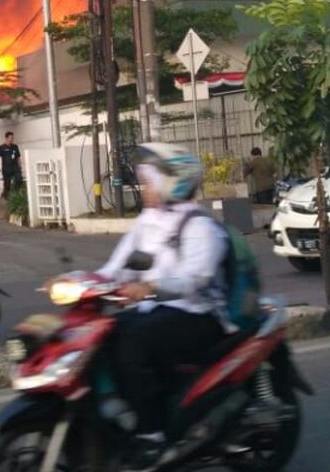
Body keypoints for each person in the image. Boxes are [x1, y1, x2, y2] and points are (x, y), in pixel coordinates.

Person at [96, 142, 230, 466]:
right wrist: (82, 281)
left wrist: (151, 286)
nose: (143, 189)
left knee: (134, 342)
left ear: (172, 182)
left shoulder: (202, 227)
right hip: (157, 310)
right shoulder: (148, 221)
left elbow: (194, 280)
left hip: (200, 315)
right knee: (105, 333)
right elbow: (118, 266)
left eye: (148, 182)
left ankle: (152, 434)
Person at [0, 132, 22, 197]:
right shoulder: (1, 147)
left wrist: (20, 165)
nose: (12, 139)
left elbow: (18, 157)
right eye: (11, 138)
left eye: (13, 138)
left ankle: (16, 193)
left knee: (18, 178)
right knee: (7, 184)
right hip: (6, 168)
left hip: (15, 167)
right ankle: (6, 195)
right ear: (6, 138)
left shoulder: (15, 147)